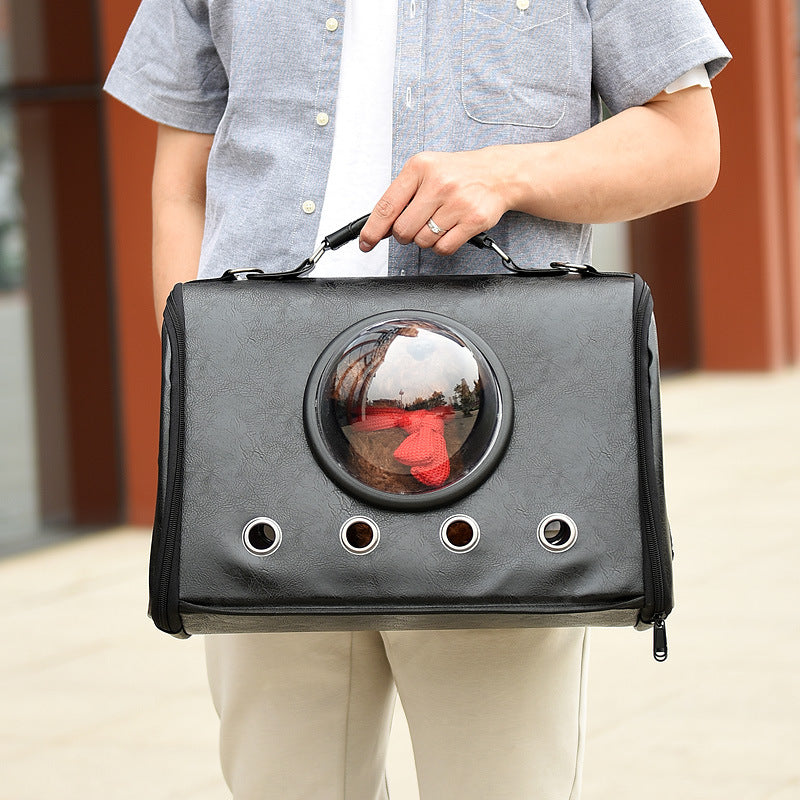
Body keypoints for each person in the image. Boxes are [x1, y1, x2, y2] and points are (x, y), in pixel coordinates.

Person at [105, 2, 729, 798]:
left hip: (486, 442)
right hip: (265, 444)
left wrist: (507, 174)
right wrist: (202, 410)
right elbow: (181, 189)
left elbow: (686, 143)